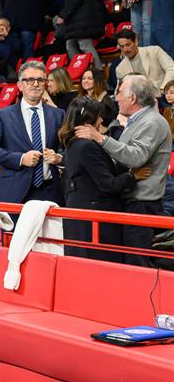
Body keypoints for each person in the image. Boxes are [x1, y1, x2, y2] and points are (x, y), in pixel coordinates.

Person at [72, 74, 172, 266]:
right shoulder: (138, 121)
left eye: (119, 93)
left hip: (141, 205)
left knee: (137, 262)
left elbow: (135, 157)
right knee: (129, 261)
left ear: (132, 98)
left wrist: (100, 138)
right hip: (131, 202)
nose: (116, 98)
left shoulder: (152, 122)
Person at [59, 97, 147, 262]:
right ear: (88, 121)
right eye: (98, 116)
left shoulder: (73, 143)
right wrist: (133, 176)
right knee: (99, 267)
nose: (101, 120)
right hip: (94, 221)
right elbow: (108, 185)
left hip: (83, 217)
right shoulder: (86, 146)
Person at [0, 60, 66, 204]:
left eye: (40, 80)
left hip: (51, 190)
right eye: (30, 80)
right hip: (14, 190)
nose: (36, 84)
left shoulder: (59, 115)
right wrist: (20, 158)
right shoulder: (3, 115)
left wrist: (58, 157)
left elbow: (69, 148)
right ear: (20, 85)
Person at [112, 28, 174, 94]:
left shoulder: (155, 51)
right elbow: (120, 92)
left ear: (136, 41)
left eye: (128, 45)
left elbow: (171, 68)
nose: (125, 50)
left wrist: (163, 89)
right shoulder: (120, 69)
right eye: (122, 47)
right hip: (141, 99)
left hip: (164, 94)